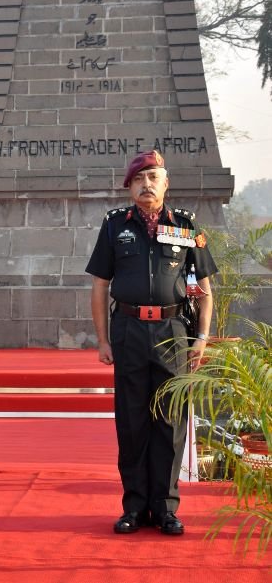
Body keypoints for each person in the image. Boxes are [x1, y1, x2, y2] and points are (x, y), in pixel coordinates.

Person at [85, 150, 217, 536]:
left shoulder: (187, 225)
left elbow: (205, 290)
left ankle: (165, 508)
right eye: (139, 179)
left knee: (171, 421)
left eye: (154, 177)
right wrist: (101, 339)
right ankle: (134, 506)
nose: (147, 185)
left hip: (174, 332)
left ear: (166, 183)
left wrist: (202, 338)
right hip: (127, 330)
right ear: (129, 187)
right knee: (131, 420)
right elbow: (99, 285)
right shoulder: (114, 226)